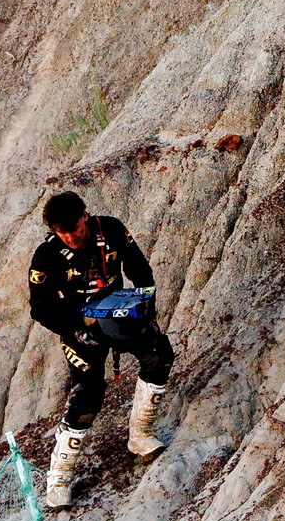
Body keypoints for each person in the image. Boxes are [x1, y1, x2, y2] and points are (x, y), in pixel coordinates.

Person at [26, 191, 174, 504]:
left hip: (117, 311)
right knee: (87, 397)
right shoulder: (46, 256)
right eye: (61, 232)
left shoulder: (111, 229)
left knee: (159, 353)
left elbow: (140, 271)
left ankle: (141, 435)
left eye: (74, 228)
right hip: (77, 326)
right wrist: (73, 330)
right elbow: (39, 308)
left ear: (85, 216)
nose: (70, 236)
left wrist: (146, 304)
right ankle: (59, 480)